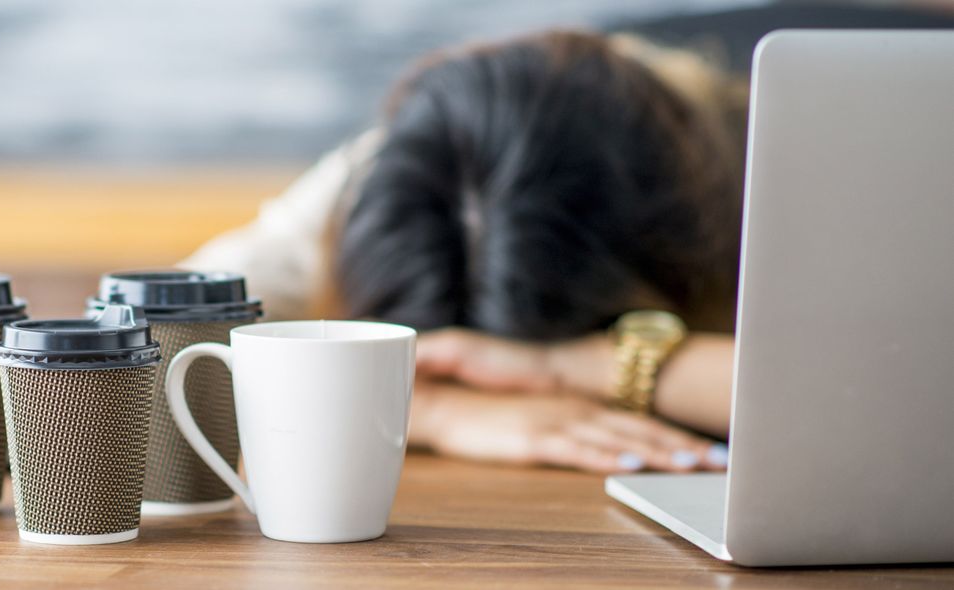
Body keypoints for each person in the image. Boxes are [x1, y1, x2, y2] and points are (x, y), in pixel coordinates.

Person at [181, 30, 747, 473]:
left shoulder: (766, 154)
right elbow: (146, 361)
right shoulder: (393, 176)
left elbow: (834, 400)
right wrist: (429, 411)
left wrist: (574, 366)